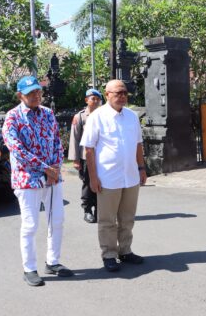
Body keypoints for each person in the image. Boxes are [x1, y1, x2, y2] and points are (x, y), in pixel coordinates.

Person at [2, 75, 73, 286]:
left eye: (38, 92)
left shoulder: (48, 114)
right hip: (27, 178)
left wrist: (56, 168)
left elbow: (57, 143)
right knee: (31, 224)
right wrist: (45, 168)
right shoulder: (12, 117)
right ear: (20, 95)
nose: (36, 95)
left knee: (57, 220)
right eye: (31, 92)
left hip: (52, 177)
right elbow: (16, 149)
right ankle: (29, 268)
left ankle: (52, 261)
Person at [79, 79, 147, 272]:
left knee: (127, 218)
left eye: (124, 92)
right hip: (108, 178)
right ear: (107, 95)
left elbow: (138, 144)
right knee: (107, 220)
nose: (122, 96)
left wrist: (142, 168)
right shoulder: (97, 117)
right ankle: (109, 254)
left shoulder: (132, 116)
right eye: (117, 93)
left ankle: (125, 250)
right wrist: (93, 178)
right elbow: (89, 150)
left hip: (131, 176)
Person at [68, 88, 102, 223]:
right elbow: (74, 138)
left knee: (102, 184)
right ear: (86, 100)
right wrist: (76, 160)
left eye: (98, 99)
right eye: (92, 98)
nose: (95, 101)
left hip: (101, 156)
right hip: (85, 157)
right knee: (88, 184)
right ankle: (87, 210)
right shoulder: (80, 117)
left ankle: (99, 210)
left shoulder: (103, 115)